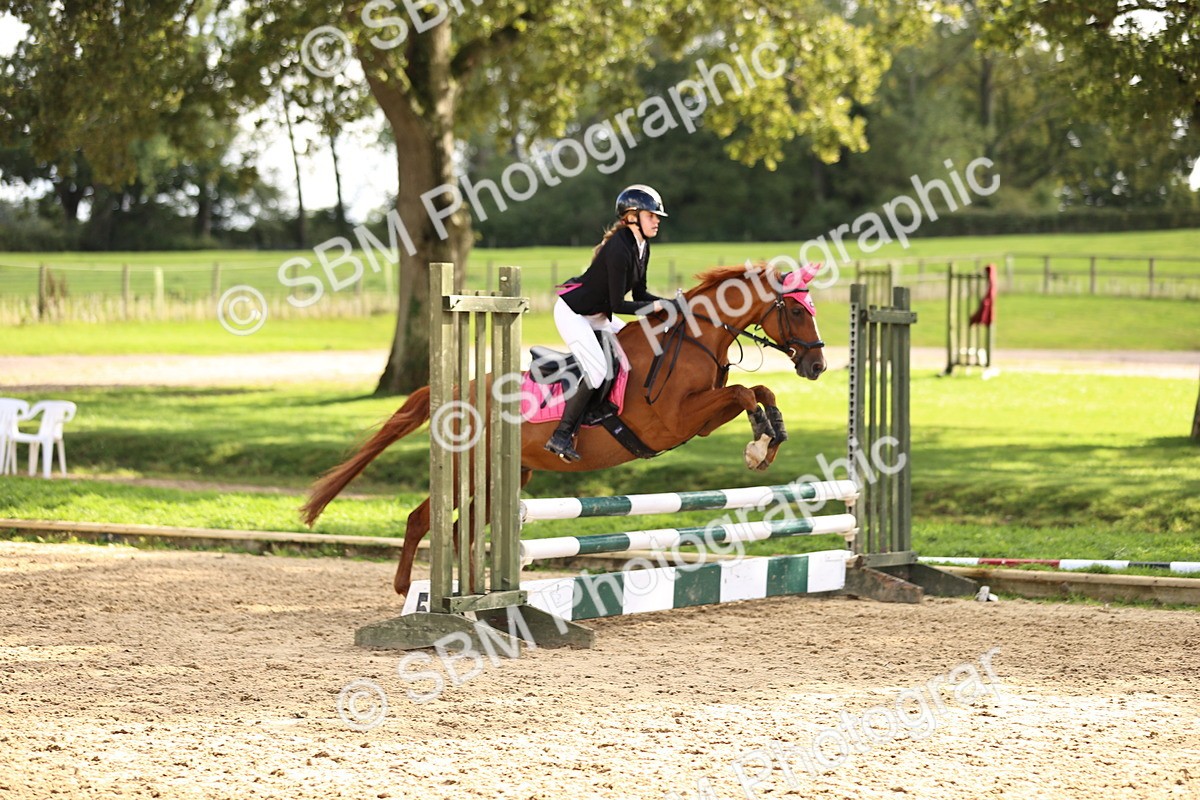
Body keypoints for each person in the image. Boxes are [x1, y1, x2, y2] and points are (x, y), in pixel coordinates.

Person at [544, 184, 680, 462]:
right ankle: (561, 435)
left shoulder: (642, 246)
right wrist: (658, 307)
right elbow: (618, 305)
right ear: (631, 217)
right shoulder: (619, 247)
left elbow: (640, 295)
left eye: (657, 216)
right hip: (574, 313)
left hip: (599, 314)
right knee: (597, 371)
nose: (657, 221)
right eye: (651, 215)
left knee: (634, 343)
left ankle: (600, 408)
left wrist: (670, 304)